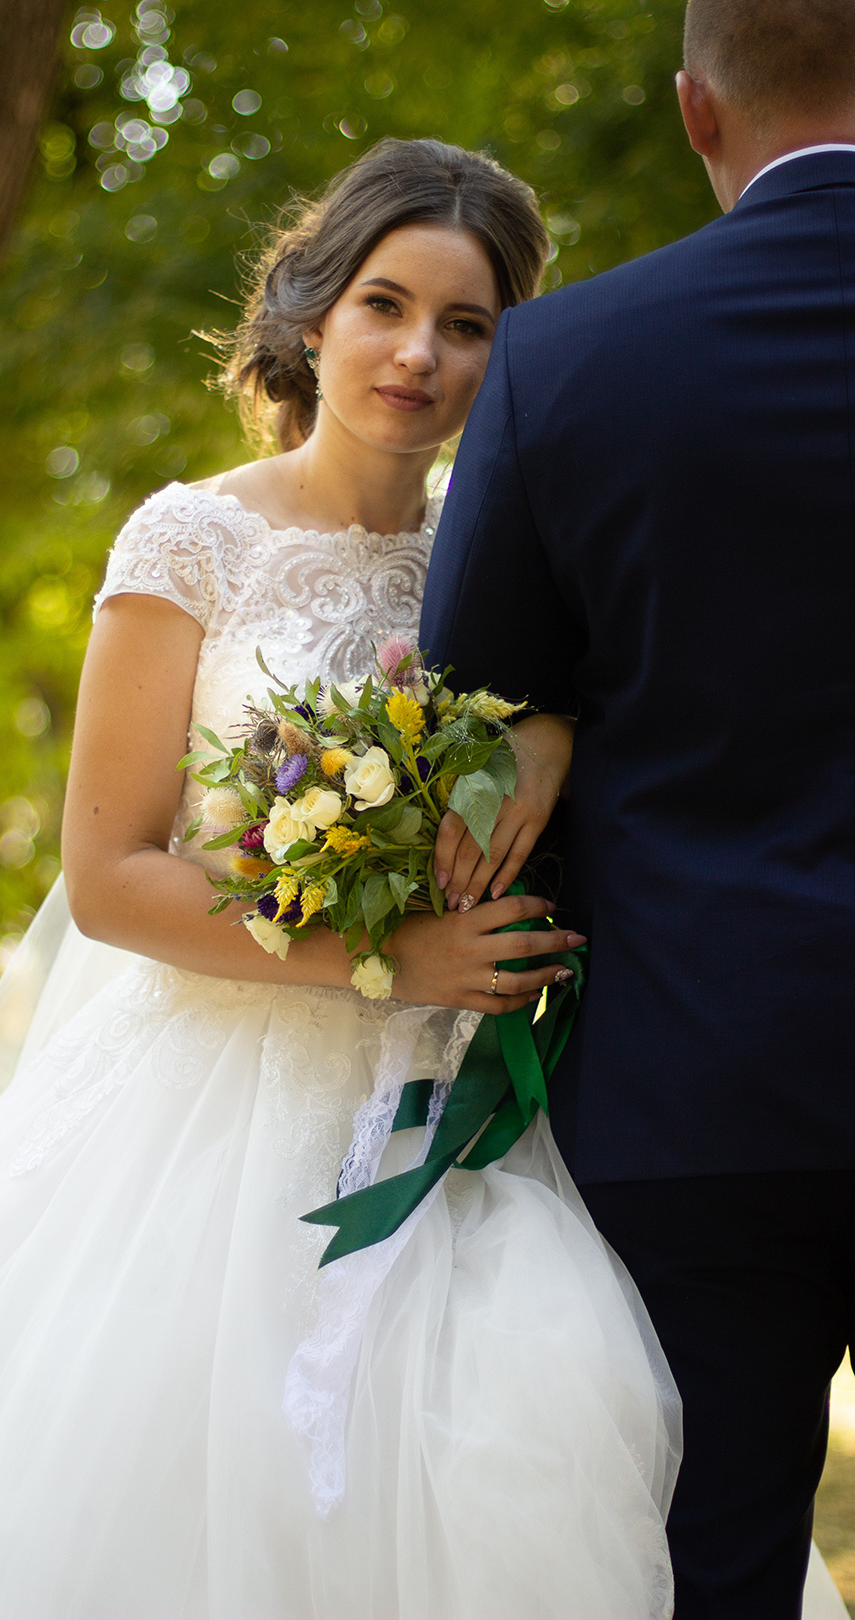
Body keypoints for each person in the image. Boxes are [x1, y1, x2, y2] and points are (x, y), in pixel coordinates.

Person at [0, 139, 681, 1618]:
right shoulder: (192, 539)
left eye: (469, 328)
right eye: (386, 303)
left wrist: (555, 733)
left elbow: (575, 725)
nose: (417, 353)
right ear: (311, 311)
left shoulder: (508, 558)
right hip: (202, 1111)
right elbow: (113, 873)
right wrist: (385, 961)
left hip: (440, 1121)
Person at [419, 3, 855, 1616]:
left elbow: (462, 705)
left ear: (696, 112)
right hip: (697, 1084)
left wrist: (551, 707)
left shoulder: (573, 352)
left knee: (713, 1571)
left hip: (696, 1079)